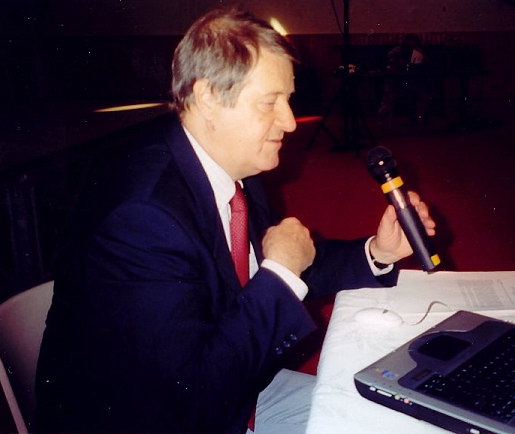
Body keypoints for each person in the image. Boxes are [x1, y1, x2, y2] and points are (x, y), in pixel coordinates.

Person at [35, 7, 436, 434]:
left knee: (388, 417)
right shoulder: (143, 217)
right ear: (208, 98)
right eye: (270, 102)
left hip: (233, 386)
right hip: (158, 417)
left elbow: (289, 262)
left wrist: (377, 251)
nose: (289, 121)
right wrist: (280, 274)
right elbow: (193, 400)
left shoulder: (233, 163)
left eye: (288, 99)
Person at [377, 33, 431, 124]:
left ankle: (419, 118)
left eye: (413, 42)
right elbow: (390, 65)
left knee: (423, 95)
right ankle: (381, 117)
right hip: (396, 81)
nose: (411, 44)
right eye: (409, 42)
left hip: (412, 81)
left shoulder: (417, 52)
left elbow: (425, 61)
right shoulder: (395, 52)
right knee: (389, 94)